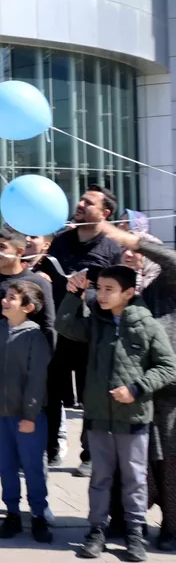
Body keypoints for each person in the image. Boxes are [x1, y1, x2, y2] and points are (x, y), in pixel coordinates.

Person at [58, 265, 176, 561]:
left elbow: (168, 367)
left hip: (134, 419)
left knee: (135, 478)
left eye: (110, 289)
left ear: (128, 293)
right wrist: (73, 294)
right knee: (100, 477)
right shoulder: (96, 322)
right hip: (98, 417)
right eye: (100, 288)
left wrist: (136, 389)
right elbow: (65, 325)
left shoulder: (146, 324)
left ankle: (135, 533)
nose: (102, 294)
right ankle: (96, 530)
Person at [0, 228, 56, 522]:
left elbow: (49, 326)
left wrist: (42, 368)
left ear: (18, 251)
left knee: (30, 440)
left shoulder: (37, 282)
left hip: (27, 373)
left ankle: (38, 503)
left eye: (1, 246)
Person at [97, 222, 176, 550]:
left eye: (136, 252)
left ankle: (172, 525)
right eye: (125, 251)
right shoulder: (118, 289)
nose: (129, 255)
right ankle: (126, 522)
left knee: (169, 458)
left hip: (167, 390)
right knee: (127, 460)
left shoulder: (165, 286)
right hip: (124, 392)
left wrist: (137, 241)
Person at [48, 186, 124, 476]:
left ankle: (90, 454)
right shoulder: (61, 242)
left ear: (104, 213)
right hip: (58, 329)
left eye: (88, 202)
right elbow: (45, 278)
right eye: (80, 199)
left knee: (91, 397)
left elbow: (115, 293)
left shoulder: (111, 248)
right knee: (51, 393)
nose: (79, 204)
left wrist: (86, 294)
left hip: (92, 334)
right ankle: (51, 449)